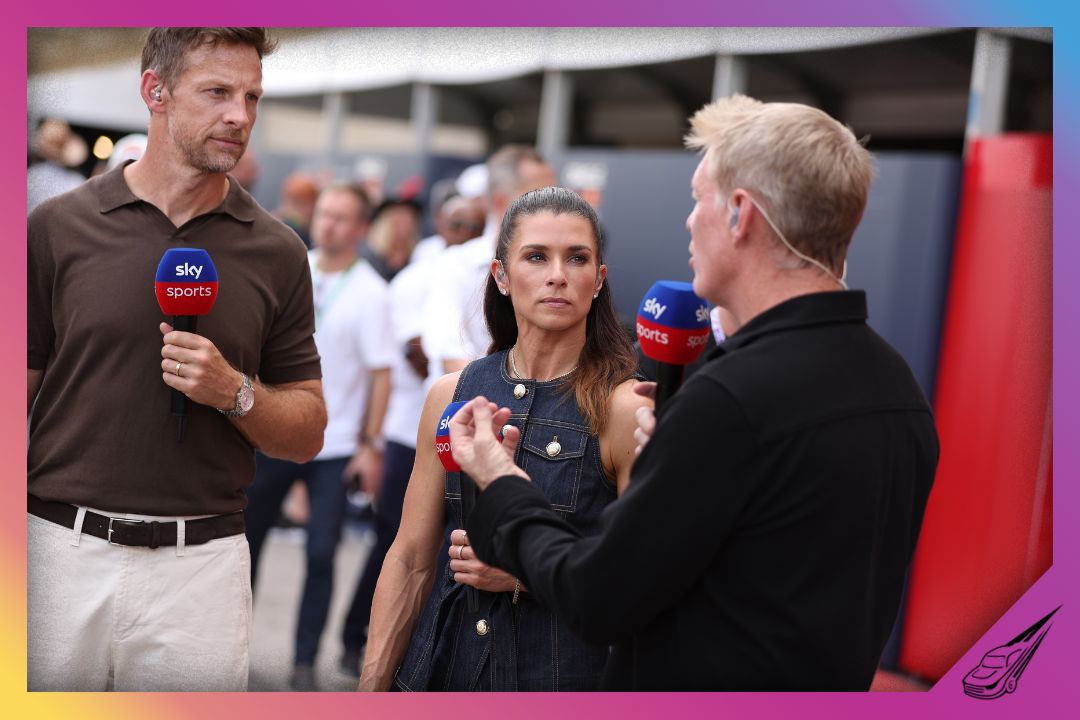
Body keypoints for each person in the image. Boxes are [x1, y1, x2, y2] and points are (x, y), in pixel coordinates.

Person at [449, 95, 940, 691]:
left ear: (739, 213)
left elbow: (596, 596)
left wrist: (501, 482)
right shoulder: (897, 387)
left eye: (698, 198)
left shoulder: (734, 401)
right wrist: (682, 463)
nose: (688, 220)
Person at [27, 27, 327, 692]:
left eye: (251, 96)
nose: (240, 116)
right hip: (57, 552)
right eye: (217, 92)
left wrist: (235, 391)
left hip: (203, 571)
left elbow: (308, 430)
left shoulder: (277, 252)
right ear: (153, 92)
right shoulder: (56, 227)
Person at [358, 186, 650, 691]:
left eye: (576, 258)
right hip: (440, 669)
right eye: (536, 256)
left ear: (598, 281)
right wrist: (372, 685)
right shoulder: (452, 395)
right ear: (501, 275)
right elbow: (409, 558)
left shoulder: (624, 408)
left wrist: (526, 574)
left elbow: (643, 578)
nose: (557, 274)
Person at [244, 183, 394, 691]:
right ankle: (233, 649)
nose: (327, 224)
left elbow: (381, 374)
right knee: (245, 543)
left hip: (337, 445)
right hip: (277, 431)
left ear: (359, 228)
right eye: (324, 213)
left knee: (321, 553)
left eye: (340, 217)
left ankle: (304, 662)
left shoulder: (373, 292)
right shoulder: (292, 267)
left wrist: (371, 444)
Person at [421, 145, 556, 376]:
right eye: (538, 198)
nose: (553, 209)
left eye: (556, 195)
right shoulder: (455, 266)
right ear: (501, 202)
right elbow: (448, 352)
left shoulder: (557, 271)